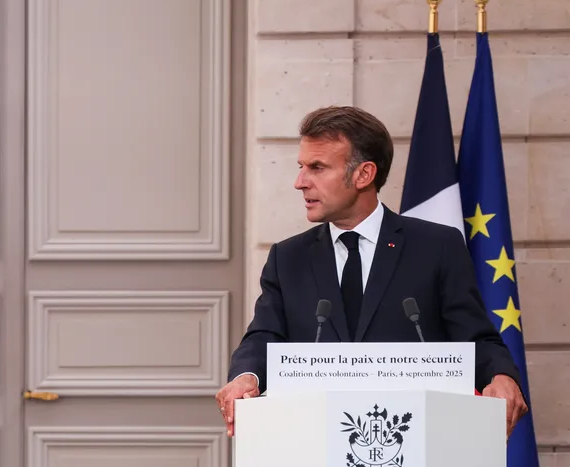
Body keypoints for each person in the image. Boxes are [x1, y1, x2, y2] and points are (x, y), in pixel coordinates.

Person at [217, 105, 526, 438]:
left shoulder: (436, 247)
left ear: (363, 175)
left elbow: (475, 338)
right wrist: (245, 376)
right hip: (314, 440)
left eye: (317, 168)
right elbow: (264, 337)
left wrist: (501, 377)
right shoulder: (288, 257)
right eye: (301, 167)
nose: (299, 182)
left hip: (415, 438)